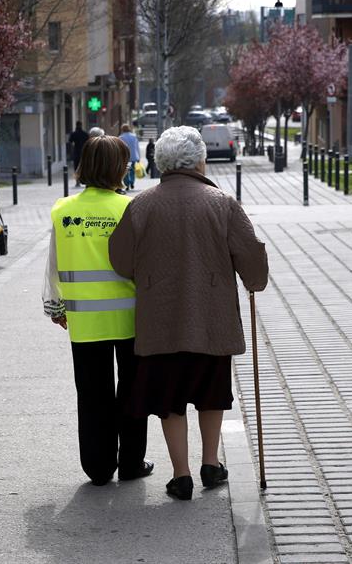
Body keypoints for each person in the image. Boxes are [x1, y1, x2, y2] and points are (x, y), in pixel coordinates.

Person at [108, 126, 268, 501]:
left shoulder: (141, 205)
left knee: (169, 399)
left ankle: (181, 475)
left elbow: (120, 259)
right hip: (211, 321)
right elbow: (251, 257)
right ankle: (211, 464)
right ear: (199, 160)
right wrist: (254, 280)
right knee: (212, 394)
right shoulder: (222, 203)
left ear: (161, 161)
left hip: (160, 323)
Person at [42, 135, 153, 487]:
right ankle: (131, 462)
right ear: (115, 167)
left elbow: (53, 266)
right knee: (133, 391)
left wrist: (55, 307)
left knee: (92, 396)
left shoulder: (63, 210)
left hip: (84, 321)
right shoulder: (129, 209)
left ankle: (98, 467)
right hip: (131, 318)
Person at [119, 124, 140, 191]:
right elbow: (137, 147)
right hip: (133, 156)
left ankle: (127, 183)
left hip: (125, 157)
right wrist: (138, 156)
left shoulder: (121, 137)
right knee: (132, 170)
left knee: (125, 170)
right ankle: (132, 182)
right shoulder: (134, 136)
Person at [69, 121, 89, 188]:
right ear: (81, 125)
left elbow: (70, 142)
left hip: (76, 153)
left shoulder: (74, 134)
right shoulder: (85, 134)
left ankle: (77, 182)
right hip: (84, 153)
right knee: (85, 168)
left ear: (76, 125)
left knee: (76, 168)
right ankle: (86, 181)